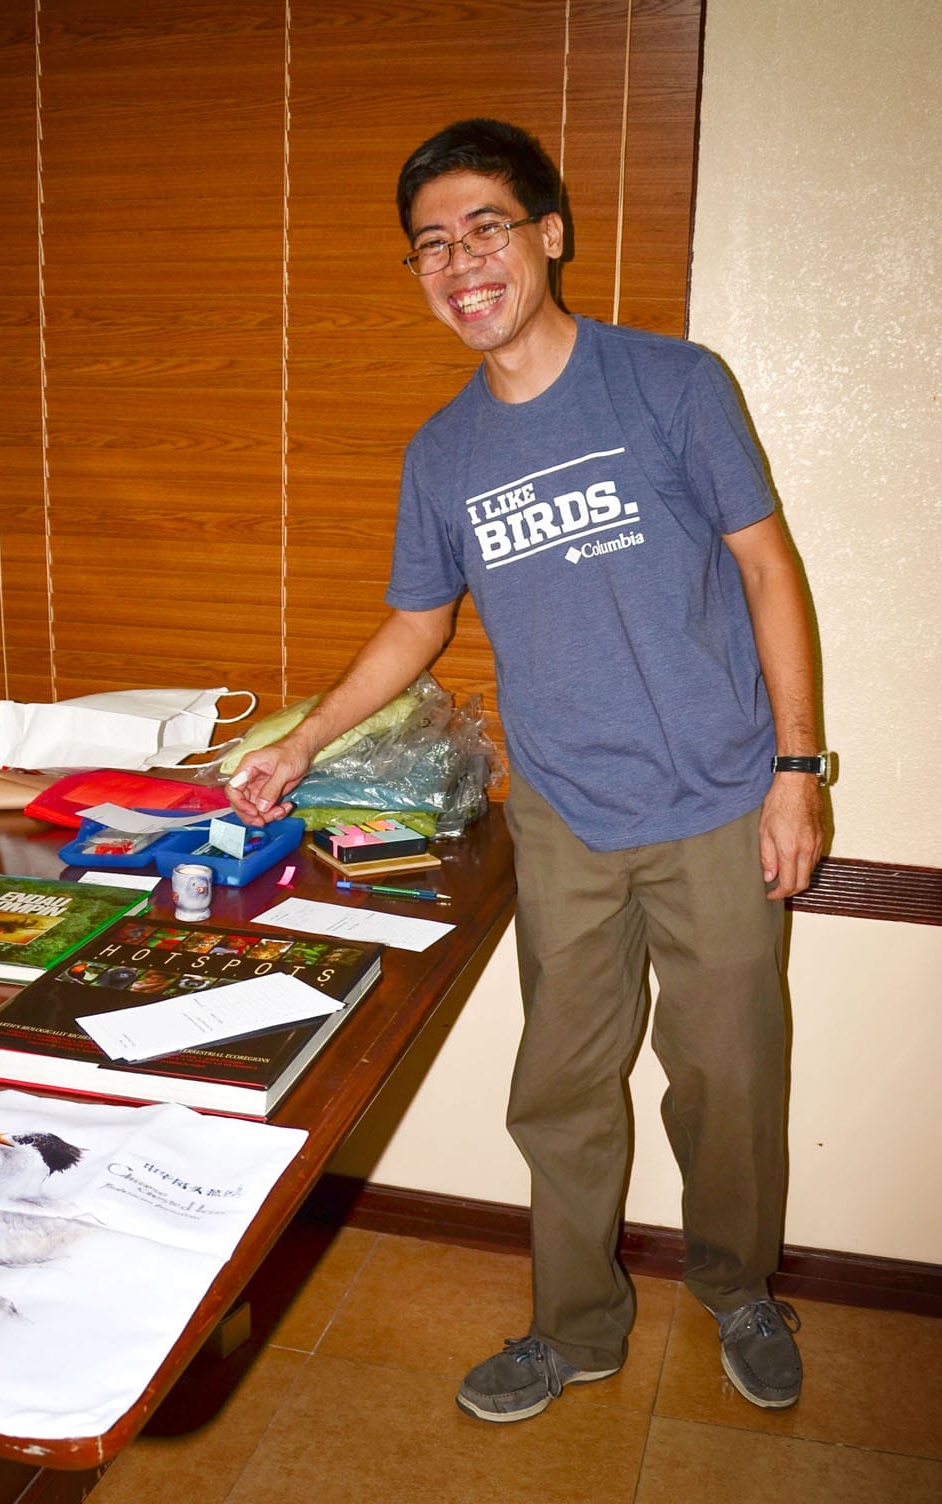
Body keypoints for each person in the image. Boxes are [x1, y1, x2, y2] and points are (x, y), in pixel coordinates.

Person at [226, 118, 828, 1422]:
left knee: (731, 1082)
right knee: (559, 1087)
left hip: (721, 800)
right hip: (562, 819)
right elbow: (415, 622)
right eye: (431, 245)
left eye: (485, 226)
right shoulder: (442, 453)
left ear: (549, 233)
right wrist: (300, 743)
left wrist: (798, 768)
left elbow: (770, 571)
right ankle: (575, 1325)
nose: (460, 263)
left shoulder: (672, 384)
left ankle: (737, 1290)